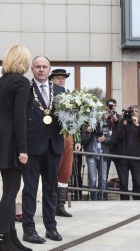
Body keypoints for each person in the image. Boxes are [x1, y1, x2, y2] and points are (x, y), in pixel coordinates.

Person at [0, 45, 32, 251]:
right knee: (11, 192)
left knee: (10, 191)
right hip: (13, 139)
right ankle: (4, 240)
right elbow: (20, 116)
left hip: (1, 137)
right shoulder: (21, 82)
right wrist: (22, 148)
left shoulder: (0, 82)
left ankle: (10, 237)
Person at [22, 56, 65, 244]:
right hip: (31, 147)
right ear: (32, 69)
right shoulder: (25, 90)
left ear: (49, 69)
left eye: (44, 67)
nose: (41, 70)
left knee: (51, 189)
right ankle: (28, 230)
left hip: (53, 146)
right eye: (37, 66)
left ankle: (51, 227)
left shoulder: (61, 91)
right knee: (30, 189)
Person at [49, 69, 81, 217]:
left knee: (66, 172)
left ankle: (60, 206)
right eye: (58, 78)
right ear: (52, 80)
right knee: (52, 172)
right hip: (55, 136)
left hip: (68, 136)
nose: (61, 80)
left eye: (63, 78)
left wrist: (77, 139)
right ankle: (50, 206)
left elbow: (76, 120)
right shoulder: (48, 95)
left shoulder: (70, 96)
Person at [116, 105, 140, 200]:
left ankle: (138, 201)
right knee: (123, 182)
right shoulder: (122, 123)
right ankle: (124, 201)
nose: (134, 112)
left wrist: (137, 124)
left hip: (135, 157)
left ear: (138, 113)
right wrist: (124, 122)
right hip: (123, 157)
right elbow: (119, 137)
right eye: (132, 111)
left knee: (137, 181)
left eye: (136, 111)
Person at [81, 113, 111, 201]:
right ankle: (94, 199)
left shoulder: (105, 125)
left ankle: (102, 198)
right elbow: (83, 141)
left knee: (103, 179)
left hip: (103, 154)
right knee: (92, 179)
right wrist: (88, 133)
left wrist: (104, 139)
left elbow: (110, 139)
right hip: (91, 155)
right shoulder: (86, 126)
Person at [105, 98, 122, 181]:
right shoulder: (104, 117)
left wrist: (116, 120)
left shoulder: (120, 117)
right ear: (107, 107)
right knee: (104, 175)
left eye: (114, 106)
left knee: (121, 174)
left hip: (117, 148)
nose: (113, 108)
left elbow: (122, 130)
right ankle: (103, 194)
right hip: (107, 148)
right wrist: (105, 119)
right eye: (111, 106)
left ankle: (123, 194)